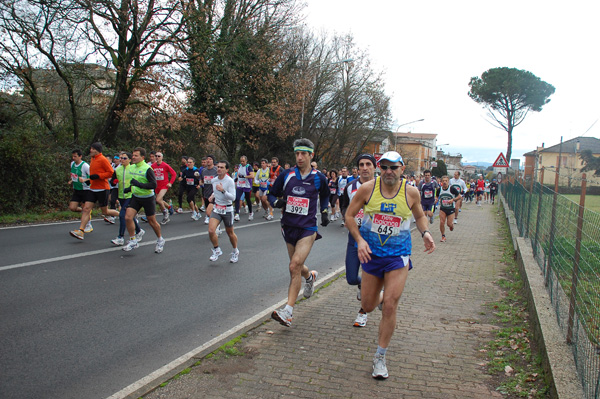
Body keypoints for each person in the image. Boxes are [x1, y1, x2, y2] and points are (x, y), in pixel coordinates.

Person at [344, 150, 435, 379]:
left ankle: (380, 357)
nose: (388, 171)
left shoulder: (411, 192)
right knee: (368, 304)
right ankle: (380, 297)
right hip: (371, 256)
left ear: (402, 169)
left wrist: (425, 232)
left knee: (391, 305)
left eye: (393, 167)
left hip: (398, 256)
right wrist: (360, 240)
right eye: (384, 167)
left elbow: (419, 215)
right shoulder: (367, 189)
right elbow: (348, 216)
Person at [268, 138, 330, 327]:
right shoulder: (287, 174)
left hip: (307, 228)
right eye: (297, 153)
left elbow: (326, 194)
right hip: (288, 227)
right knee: (296, 266)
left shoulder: (319, 177)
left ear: (311, 155)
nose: (300, 157)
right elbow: (271, 193)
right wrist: (275, 202)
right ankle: (310, 277)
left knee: (294, 265)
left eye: (303, 153)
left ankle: (288, 311)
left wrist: (325, 211)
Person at [340, 154, 376, 327]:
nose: (364, 167)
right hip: (354, 238)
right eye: (361, 164)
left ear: (374, 167)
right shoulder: (350, 187)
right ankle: (363, 286)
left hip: (374, 241)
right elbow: (344, 205)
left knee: (371, 278)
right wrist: (347, 220)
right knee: (351, 278)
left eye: (368, 164)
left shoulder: (381, 187)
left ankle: (363, 313)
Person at [69, 142, 119, 240]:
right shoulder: (93, 158)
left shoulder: (103, 159)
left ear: (97, 150)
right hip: (92, 188)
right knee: (86, 209)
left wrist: (99, 176)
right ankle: (81, 231)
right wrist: (89, 180)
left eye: (92, 149)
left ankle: (124, 216)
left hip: (103, 189)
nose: (90, 150)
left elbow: (111, 173)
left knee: (105, 211)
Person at [122, 147, 165, 253]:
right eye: (133, 155)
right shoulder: (132, 167)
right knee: (127, 217)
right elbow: (133, 182)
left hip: (148, 198)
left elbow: (153, 185)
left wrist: (139, 185)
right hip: (136, 197)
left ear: (142, 157)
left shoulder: (147, 169)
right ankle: (133, 241)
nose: (133, 157)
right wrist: (129, 189)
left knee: (152, 221)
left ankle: (160, 239)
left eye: (136, 155)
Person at [207, 160, 239, 262]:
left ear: (227, 170)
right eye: (218, 167)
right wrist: (212, 195)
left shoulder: (229, 181)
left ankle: (235, 250)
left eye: (222, 167)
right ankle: (217, 250)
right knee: (211, 230)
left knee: (230, 233)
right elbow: (215, 191)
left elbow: (233, 197)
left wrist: (223, 190)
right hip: (217, 208)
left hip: (227, 209)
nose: (219, 169)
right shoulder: (214, 180)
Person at [110, 151, 143, 246]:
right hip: (121, 196)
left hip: (131, 195)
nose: (122, 160)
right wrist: (114, 182)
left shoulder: (133, 168)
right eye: (120, 158)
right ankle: (139, 230)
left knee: (122, 216)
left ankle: (120, 237)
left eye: (124, 158)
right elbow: (112, 182)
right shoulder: (117, 170)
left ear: (129, 160)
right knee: (129, 217)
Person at [68, 149, 93, 233]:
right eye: (73, 156)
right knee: (72, 207)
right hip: (77, 189)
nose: (73, 158)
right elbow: (74, 175)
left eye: (75, 156)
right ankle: (86, 213)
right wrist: (72, 180)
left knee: (85, 208)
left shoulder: (85, 166)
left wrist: (85, 180)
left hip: (86, 190)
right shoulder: (72, 164)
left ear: (80, 156)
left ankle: (88, 224)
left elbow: (92, 177)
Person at [151, 152, 177, 224]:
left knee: (158, 199)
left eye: (158, 156)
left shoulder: (165, 165)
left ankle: (166, 214)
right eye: (156, 156)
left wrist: (170, 183)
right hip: (156, 186)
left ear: (162, 157)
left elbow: (174, 174)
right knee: (160, 201)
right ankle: (169, 208)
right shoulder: (153, 166)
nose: (157, 157)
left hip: (164, 185)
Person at [437, 175, 461, 242]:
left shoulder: (452, 189)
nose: (444, 182)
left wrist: (453, 200)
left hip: (450, 209)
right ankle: (443, 236)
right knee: (442, 222)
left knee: (449, 224)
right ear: (441, 182)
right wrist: (436, 200)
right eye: (443, 181)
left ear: (448, 182)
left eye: (446, 181)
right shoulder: (439, 190)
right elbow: (436, 196)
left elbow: (459, 196)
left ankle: (451, 225)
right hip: (443, 208)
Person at [234, 156, 255, 221]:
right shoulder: (240, 166)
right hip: (240, 185)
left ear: (246, 161)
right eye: (241, 161)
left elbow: (252, 176)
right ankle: (237, 214)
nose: (242, 162)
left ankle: (251, 213)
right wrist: (237, 178)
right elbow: (238, 173)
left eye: (243, 161)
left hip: (247, 185)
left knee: (247, 199)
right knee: (237, 198)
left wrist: (244, 176)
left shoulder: (248, 167)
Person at [200, 155, 218, 224]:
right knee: (208, 207)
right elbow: (202, 180)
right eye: (207, 159)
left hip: (214, 193)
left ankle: (215, 223)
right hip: (206, 191)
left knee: (212, 209)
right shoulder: (204, 171)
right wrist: (200, 183)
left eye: (210, 159)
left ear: (213, 161)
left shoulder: (216, 170)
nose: (208, 160)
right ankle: (209, 217)